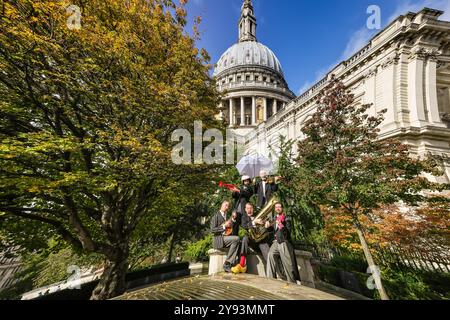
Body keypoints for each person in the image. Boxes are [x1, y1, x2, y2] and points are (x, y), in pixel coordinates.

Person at [231, 203, 271, 274]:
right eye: (248, 208)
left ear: (253, 209)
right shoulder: (244, 217)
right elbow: (244, 226)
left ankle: (272, 273)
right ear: (245, 210)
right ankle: (242, 264)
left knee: (268, 255)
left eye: (251, 208)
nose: (249, 210)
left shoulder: (258, 215)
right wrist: (254, 222)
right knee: (245, 238)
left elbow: (267, 223)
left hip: (260, 241)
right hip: (251, 241)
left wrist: (267, 222)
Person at [266, 202, 300, 283]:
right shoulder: (274, 218)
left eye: (279, 207)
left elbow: (288, 232)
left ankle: (292, 281)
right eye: (276, 207)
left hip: (284, 241)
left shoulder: (287, 218)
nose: (277, 208)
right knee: (270, 255)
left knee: (287, 262)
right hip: (275, 242)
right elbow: (272, 230)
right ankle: (270, 279)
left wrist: (281, 225)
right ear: (275, 209)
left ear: (282, 208)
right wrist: (267, 227)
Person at [210, 200, 241, 273]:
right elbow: (212, 230)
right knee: (236, 238)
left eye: (228, 206)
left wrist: (233, 219)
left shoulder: (227, 215)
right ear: (222, 205)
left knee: (238, 241)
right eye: (226, 205)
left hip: (226, 238)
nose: (227, 207)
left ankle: (232, 264)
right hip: (219, 239)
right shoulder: (216, 216)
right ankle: (227, 263)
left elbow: (230, 227)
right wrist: (224, 226)